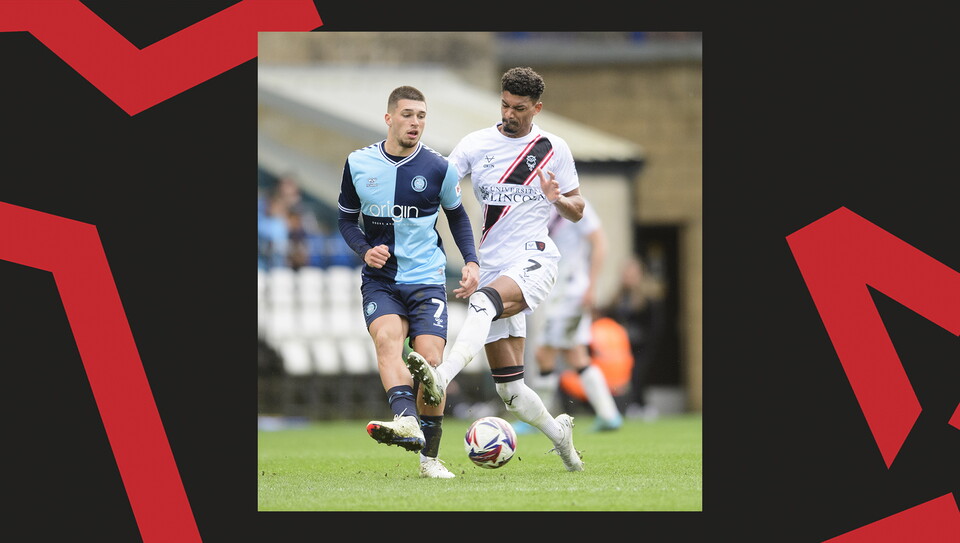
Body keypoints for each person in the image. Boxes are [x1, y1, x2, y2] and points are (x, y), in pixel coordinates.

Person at [405, 66, 585, 472]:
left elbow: (578, 209)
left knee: (483, 304)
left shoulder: (553, 148)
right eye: (504, 105)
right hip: (493, 264)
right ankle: (564, 441)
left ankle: (443, 375)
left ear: (536, 108)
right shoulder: (476, 144)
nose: (509, 114)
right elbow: (442, 187)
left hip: (535, 256)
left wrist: (557, 199)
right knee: (512, 392)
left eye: (519, 108)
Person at [337, 86, 479, 478]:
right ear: (389, 118)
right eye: (407, 115)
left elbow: (458, 217)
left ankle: (429, 460)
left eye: (421, 116)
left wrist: (470, 261)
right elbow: (346, 220)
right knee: (387, 340)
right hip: (381, 279)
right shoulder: (358, 163)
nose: (415, 122)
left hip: (426, 280)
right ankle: (405, 419)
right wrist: (365, 249)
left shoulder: (438, 167)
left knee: (431, 364)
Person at [529, 198, 623, 432]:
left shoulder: (576, 205)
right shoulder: (541, 205)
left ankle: (538, 419)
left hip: (571, 292)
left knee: (543, 353)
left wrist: (591, 286)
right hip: (556, 291)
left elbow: (600, 242)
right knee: (576, 355)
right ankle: (609, 415)